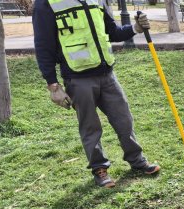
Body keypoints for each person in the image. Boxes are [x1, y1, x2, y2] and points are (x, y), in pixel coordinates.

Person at [33, 0, 159, 188]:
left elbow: (112, 31)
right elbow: (44, 45)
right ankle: (100, 169)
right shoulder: (46, 3)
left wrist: (135, 28)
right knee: (90, 126)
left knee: (124, 119)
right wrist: (53, 85)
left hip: (107, 74)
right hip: (77, 78)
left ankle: (137, 160)